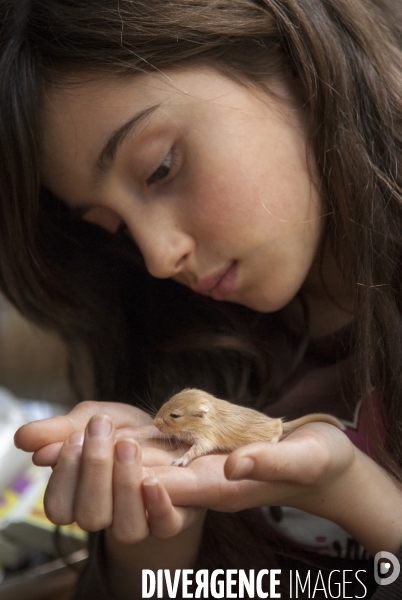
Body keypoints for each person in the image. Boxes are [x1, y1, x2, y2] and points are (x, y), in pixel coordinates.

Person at [2, 0, 402, 597]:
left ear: (288, 56)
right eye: (110, 224)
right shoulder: (165, 325)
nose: (159, 259)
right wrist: (152, 530)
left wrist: (355, 495)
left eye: (161, 167)